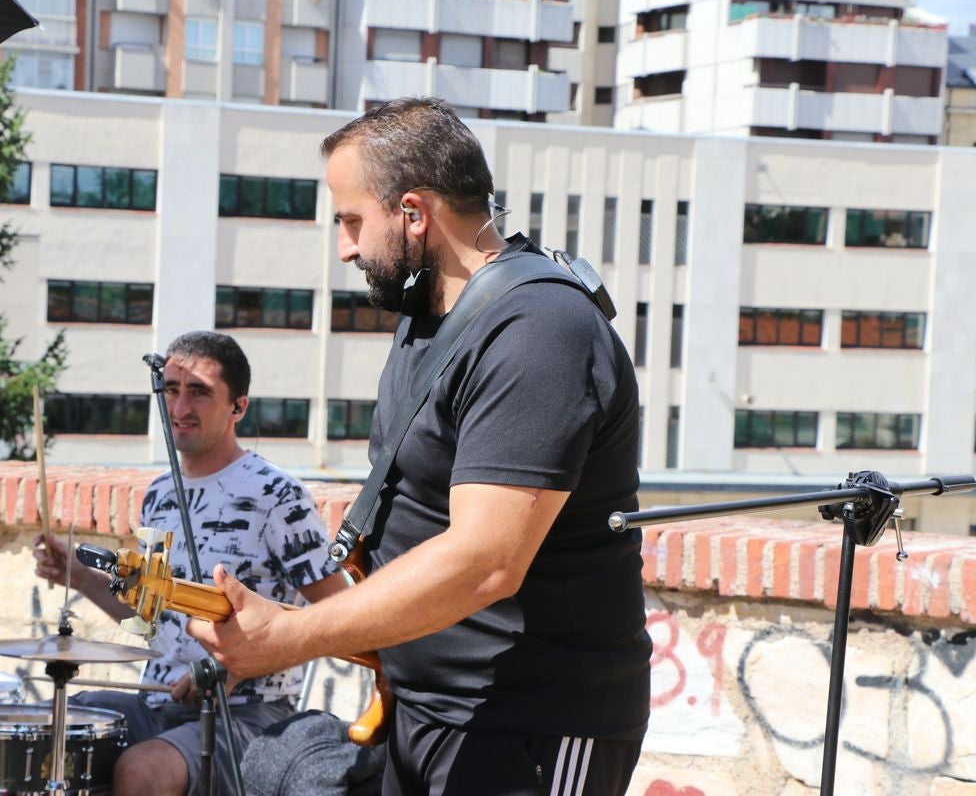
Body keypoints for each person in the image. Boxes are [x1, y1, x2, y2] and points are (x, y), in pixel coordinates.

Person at [188, 97, 652, 795]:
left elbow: (483, 562)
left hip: (534, 720)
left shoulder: (540, 330)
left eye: (350, 220)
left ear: (413, 212)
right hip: (423, 712)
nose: (344, 246)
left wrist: (289, 637)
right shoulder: (429, 319)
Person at [34, 330, 347, 796]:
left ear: (238, 407)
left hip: (249, 713)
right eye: (172, 390)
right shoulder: (159, 494)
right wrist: (79, 578)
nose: (179, 408)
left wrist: (236, 665)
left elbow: (339, 614)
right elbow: (150, 616)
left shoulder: (277, 495)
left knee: (144, 770)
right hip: (155, 703)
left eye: (199, 392)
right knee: (52, 730)